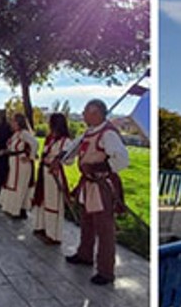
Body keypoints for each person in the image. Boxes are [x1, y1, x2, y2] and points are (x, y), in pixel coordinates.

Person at [63, 99, 129, 285]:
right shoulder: (89, 133)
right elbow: (71, 151)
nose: (83, 114)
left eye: (85, 111)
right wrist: (62, 157)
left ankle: (106, 271)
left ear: (96, 113)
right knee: (87, 222)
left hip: (101, 185)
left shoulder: (108, 133)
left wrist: (100, 166)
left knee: (105, 229)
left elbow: (122, 159)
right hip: (88, 185)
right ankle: (85, 255)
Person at [32, 113, 72, 245]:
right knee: (42, 199)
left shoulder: (66, 141)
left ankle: (53, 235)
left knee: (53, 203)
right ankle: (41, 227)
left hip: (54, 174)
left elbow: (69, 160)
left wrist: (59, 160)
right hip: (44, 172)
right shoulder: (50, 138)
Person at [0, 114, 38, 220]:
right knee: (14, 184)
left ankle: (19, 210)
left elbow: (35, 143)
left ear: (19, 122)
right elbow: (12, 147)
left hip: (21, 164)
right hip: (14, 164)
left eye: (13, 121)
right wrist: (6, 151)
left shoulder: (24, 133)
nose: (11, 123)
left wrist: (30, 157)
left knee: (20, 186)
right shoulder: (16, 134)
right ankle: (16, 209)